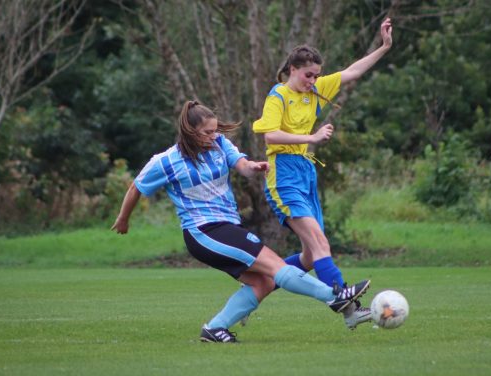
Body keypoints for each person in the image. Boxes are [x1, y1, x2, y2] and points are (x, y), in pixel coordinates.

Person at [111, 100, 370, 343]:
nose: (213, 136)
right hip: (204, 231)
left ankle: (214, 328)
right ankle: (335, 297)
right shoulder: (166, 161)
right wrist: (123, 219)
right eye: (207, 132)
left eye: (215, 130)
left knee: (263, 282)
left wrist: (252, 167)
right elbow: (136, 187)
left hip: (226, 228)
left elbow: (241, 165)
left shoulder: (220, 144)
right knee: (275, 265)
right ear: (190, 131)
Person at [251, 18, 393, 328]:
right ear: (292, 70)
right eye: (307, 75)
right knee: (318, 243)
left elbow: (353, 72)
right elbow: (270, 135)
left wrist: (383, 47)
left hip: (305, 173)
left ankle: (257, 285)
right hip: (283, 174)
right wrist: (311, 138)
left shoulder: (315, 90)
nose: (313, 81)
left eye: (317, 75)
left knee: (309, 256)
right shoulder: (278, 96)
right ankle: (347, 302)